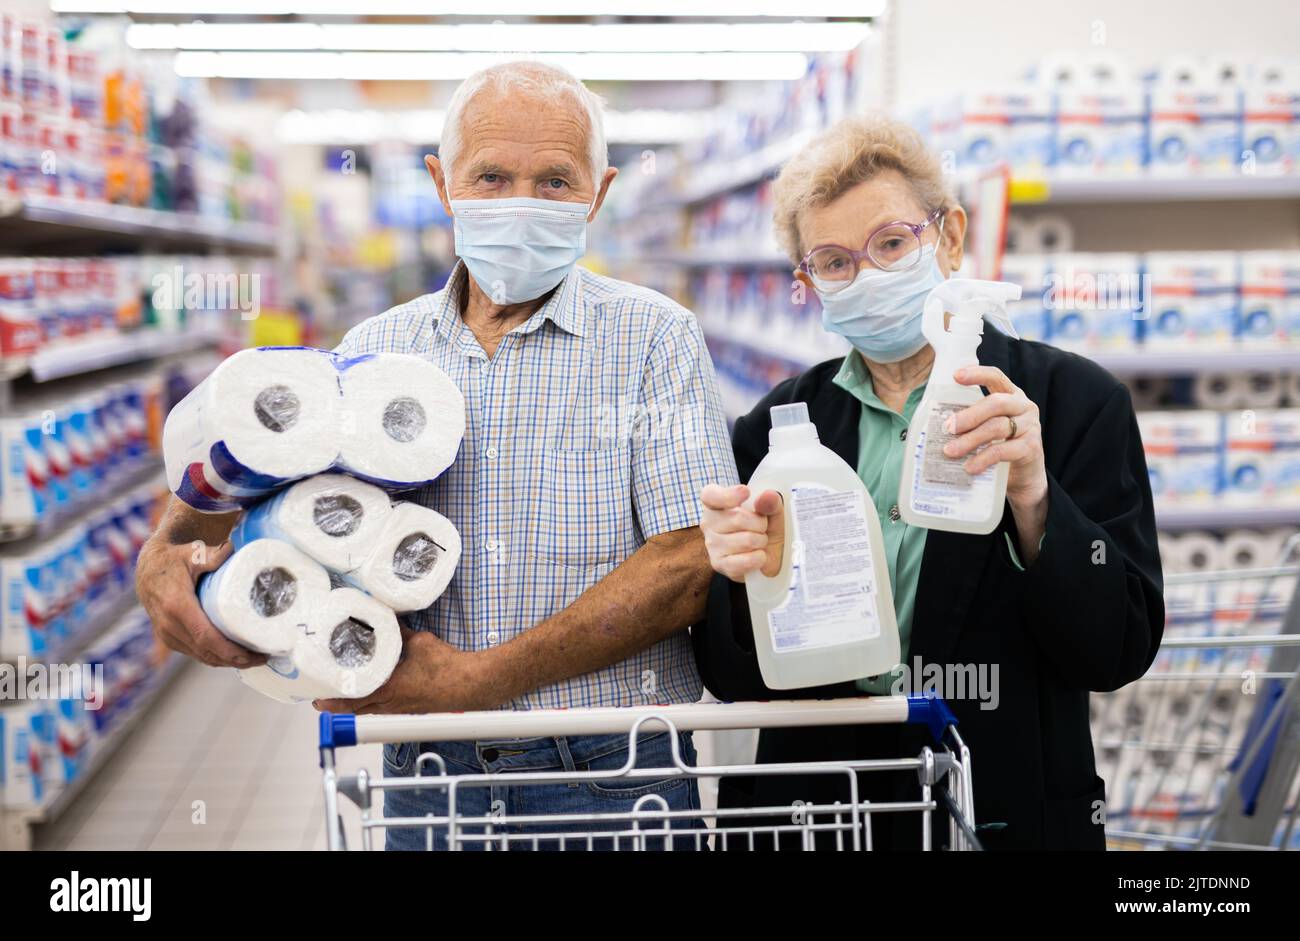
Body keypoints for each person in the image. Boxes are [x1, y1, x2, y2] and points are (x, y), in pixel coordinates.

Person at [135, 60, 738, 850]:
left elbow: (687, 563)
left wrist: (478, 680)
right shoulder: (375, 349)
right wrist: (164, 552)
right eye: (490, 176)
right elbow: (268, 498)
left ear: (601, 190)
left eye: (554, 181)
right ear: (440, 182)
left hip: (610, 769)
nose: (520, 202)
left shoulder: (656, 339)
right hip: (426, 773)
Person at [692, 115, 1164, 850]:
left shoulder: (1070, 401)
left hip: (998, 796)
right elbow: (730, 673)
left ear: (947, 235)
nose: (869, 275)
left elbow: (1115, 651)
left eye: (890, 243)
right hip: (818, 809)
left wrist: (1034, 497)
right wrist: (732, 578)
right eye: (835, 261)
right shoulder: (776, 426)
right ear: (806, 283)